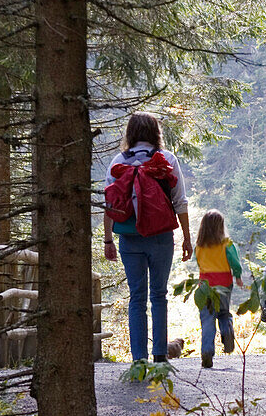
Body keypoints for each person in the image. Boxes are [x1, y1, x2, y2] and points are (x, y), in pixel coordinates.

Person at [103, 112, 192, 363]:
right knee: (159, 295)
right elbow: (180, 202)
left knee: (137, 297)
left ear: (130, 133)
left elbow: (109, 204)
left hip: (129, 238)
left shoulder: (117, 162)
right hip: (161, 236)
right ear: (156, 133)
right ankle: (160, 354)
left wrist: (108, 240)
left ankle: (138, 358)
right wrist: (186, 238)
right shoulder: (166, 159)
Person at [193, 210, 244, 368]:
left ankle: (207, 351)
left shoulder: (199, 245)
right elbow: (234, 261)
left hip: (205, 285)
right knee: (223, 312)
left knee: (207, 318)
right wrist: (238, 275)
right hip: (223, 282)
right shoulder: (226, 243)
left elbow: (199, 263)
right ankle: (227, 331)